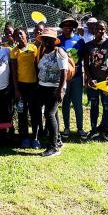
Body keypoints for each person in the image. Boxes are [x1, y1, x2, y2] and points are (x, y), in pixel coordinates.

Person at [37, 28, 69, 157]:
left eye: (49, 39)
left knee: (49, 114)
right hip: (43, 87)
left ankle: (53, 147)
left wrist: (60, 90)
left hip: (55, 88)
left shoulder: (59, 51)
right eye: (45, 38)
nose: (47, 41)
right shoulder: (44, 52)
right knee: (53, 115)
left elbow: (64, 71)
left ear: (54, 40)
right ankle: (58, 141)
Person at [83, 20, 108, 142]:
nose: (99, 31)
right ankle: (93, 130)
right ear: (93, 30)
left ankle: (107, 131)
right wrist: (89, 78)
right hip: (94, 81)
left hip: (105, 81)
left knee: (107, 106)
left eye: (102, 29)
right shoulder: (88, 45)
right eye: (97, 28)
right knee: (94, 106)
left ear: (106, 30)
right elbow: (86, 64)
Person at [10, 28, 42, 149]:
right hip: (21, 87)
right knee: (22, 113)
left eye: (20, 34)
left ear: (26, 35)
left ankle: (35, 138)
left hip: (33, 86)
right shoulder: (14, 51)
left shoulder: (34, 48)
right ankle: (24, 137)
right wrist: (17, 90)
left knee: (35, 113)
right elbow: (14, 72)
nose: (18, 36)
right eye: (16, 35)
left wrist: (39, 84)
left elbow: (37, 67)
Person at [57, 18, 87, 139]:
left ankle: (80, 128)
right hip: (64, 78)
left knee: (77, 103)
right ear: (62, 27)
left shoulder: (80, 40)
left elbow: (85, 59)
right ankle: (67, 128)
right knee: (65, 103)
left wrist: (86, 75)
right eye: (65, 25)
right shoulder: (59, 40)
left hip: (77, 77)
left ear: (74, 27)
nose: (68, 27)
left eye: (70, 25)